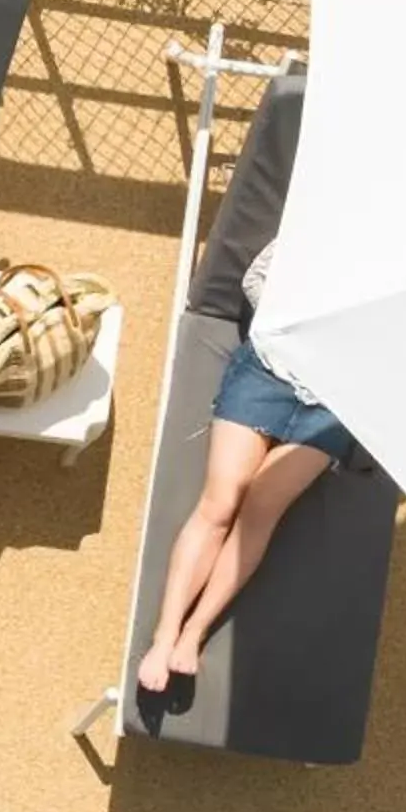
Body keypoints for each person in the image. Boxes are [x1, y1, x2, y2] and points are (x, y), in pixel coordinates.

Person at [135, 241, 350, 694]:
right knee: (220, 501)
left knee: (261, 508)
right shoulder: (322, 221)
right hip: (268, 371)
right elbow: (256, 278)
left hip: (334, 402)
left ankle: (194, 633)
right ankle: (165, 635)